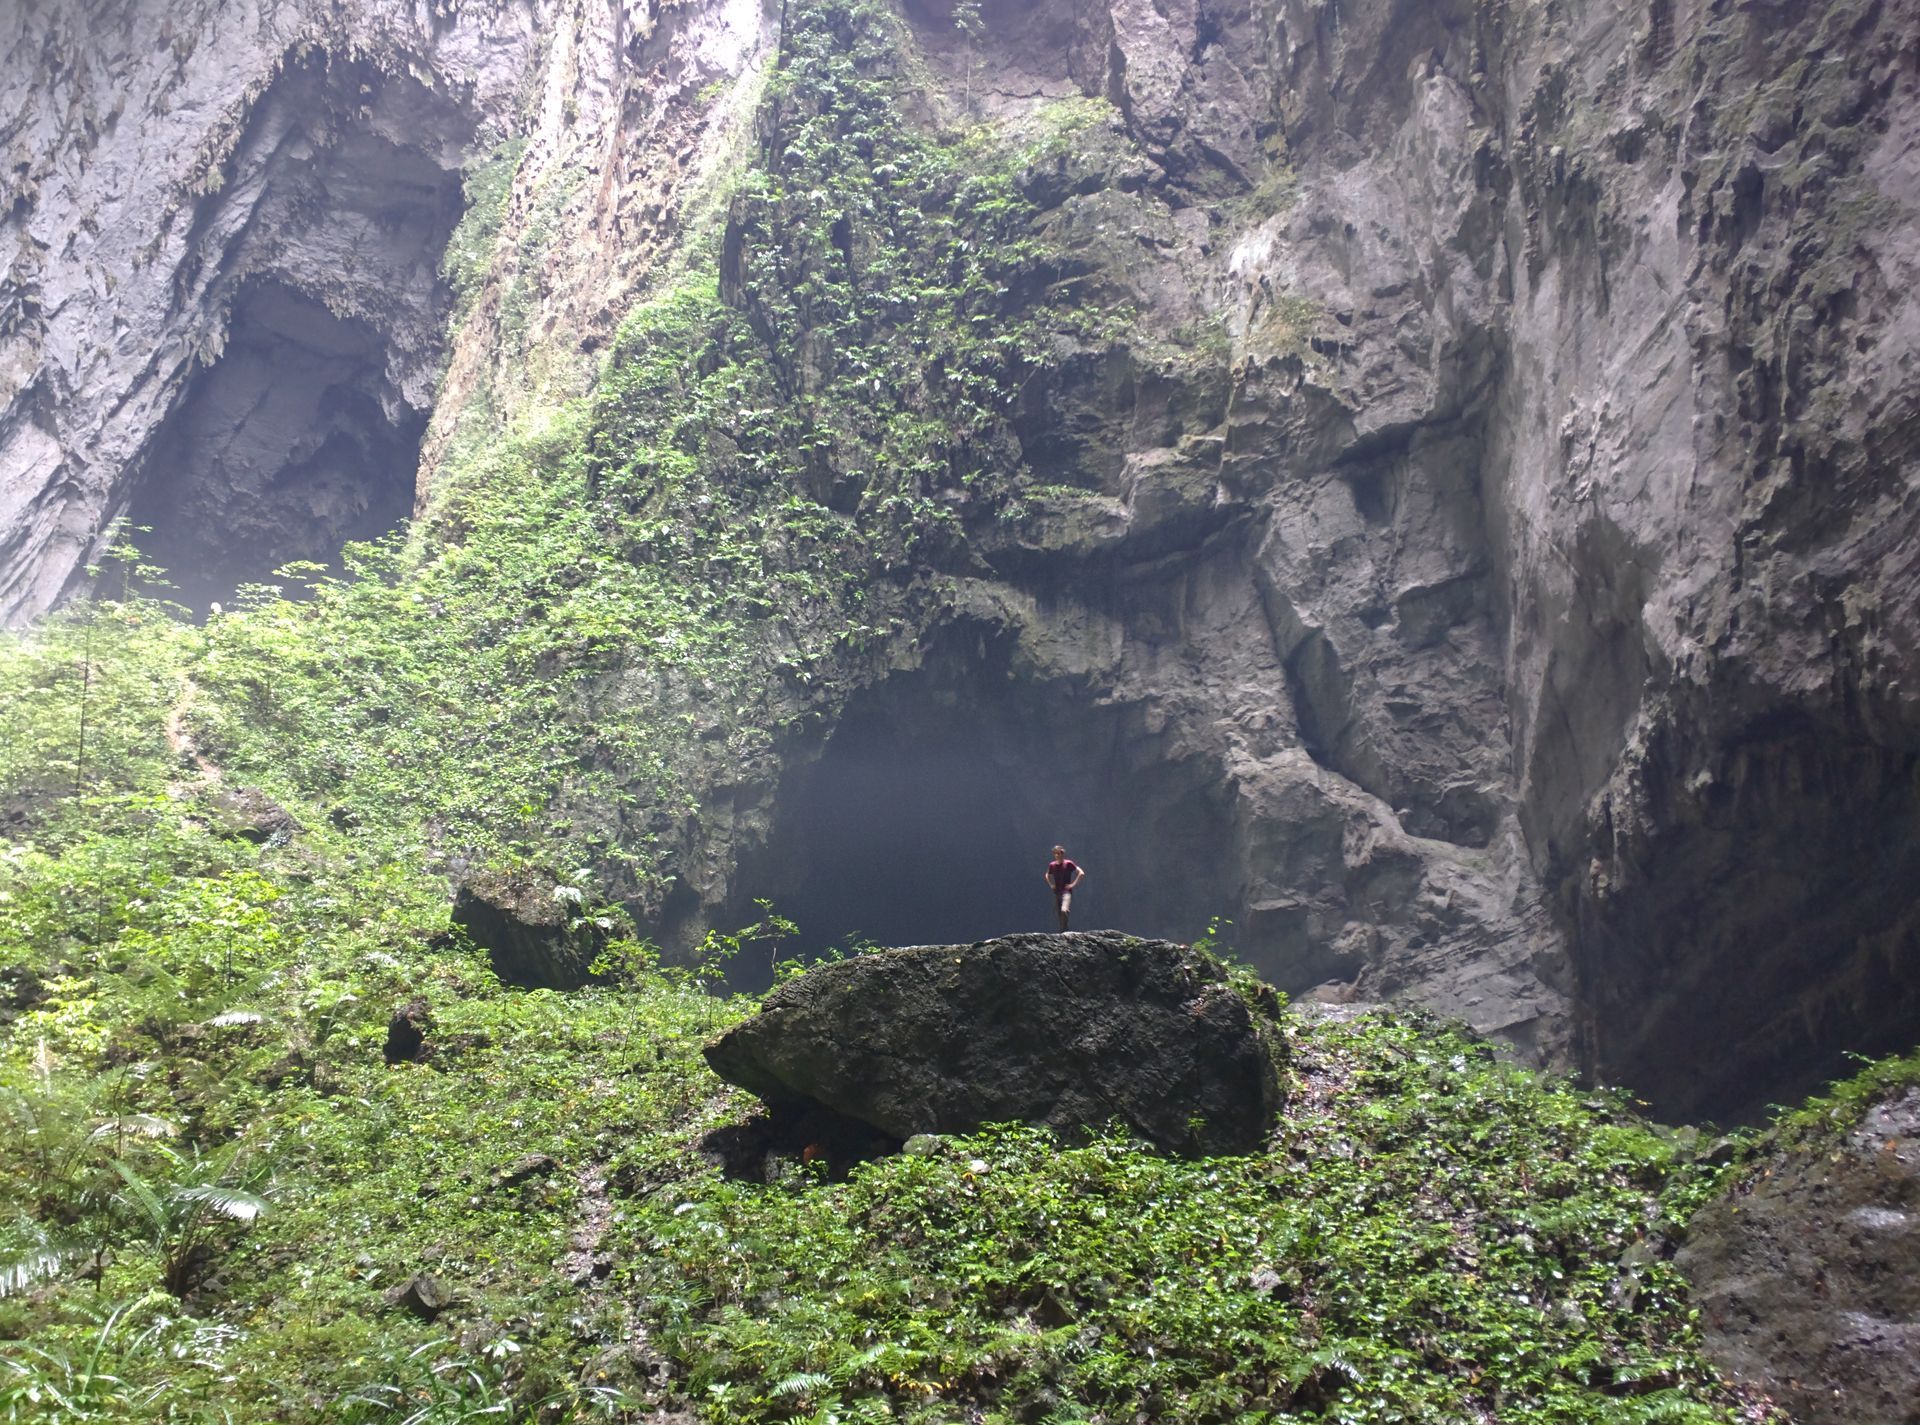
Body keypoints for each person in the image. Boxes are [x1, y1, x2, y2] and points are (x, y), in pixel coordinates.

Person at [1045, 845, 1084, 932]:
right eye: (1055, 853)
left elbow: (1081, 873)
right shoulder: (1052, 865)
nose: (1057, 855)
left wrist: (1073, 884)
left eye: (1058, 853)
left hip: (1066, 892)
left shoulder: (1068, 863)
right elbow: (1047, 875)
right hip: (1057, 892)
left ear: (1062, 853)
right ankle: (1064, 931)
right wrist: (1051, 885)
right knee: (1059, 914)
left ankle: (1064, 930)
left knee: (1064, 910)